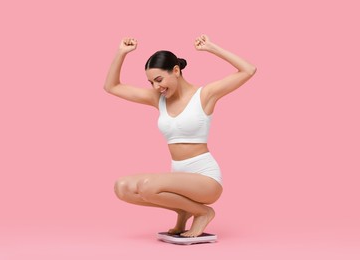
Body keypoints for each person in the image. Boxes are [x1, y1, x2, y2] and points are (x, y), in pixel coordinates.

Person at [104, 35, 256, 237]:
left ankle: (203, 212)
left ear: (176, 70)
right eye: (151, 82)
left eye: (159, 79)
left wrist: (211, 48)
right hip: (178, 178)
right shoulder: (158, 99)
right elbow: (111, 86)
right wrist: (121, 52)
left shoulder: (204, 95)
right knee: (122, 187)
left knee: (149, 188)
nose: (157, 87)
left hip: (205, 179)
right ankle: (183, 210)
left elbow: (249, 70)